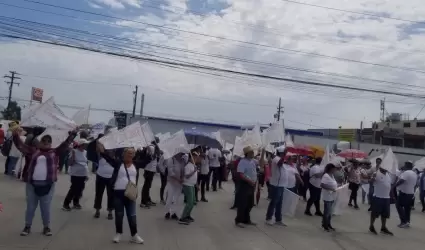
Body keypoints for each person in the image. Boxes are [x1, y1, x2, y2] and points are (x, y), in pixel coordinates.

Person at [12, 127, 77, 236]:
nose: (46, 143)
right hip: (32, 185)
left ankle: (46, 227)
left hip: (48, 185)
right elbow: (20, 146)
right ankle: (27, 227)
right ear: (40, 142)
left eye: (48, 141)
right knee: (31, 207)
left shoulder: (55, 152)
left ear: (51, 143)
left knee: (45, 208)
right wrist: (15, 136)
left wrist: (73, 134)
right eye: (44, 141)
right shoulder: (33, 151)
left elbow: (66, 144)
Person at [97, 143, 144, 244]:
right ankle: (118, 233)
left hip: (131, 193)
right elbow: (109, 159)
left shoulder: (136, 164)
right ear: (124, 154)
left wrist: (150, 151)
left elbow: (147, 160)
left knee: (132, 215)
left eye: (132, 153)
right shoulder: (118, 163)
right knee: (119, 214)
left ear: (134, 155)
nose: (130, 155)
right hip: (118, 192)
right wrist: (102, 151)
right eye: (128, 153)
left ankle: (134, 235)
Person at [62, 139, 90, 211]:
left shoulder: (85, 152)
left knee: (80, 189)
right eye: (85, 144)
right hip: (75, 174)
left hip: (83, 174)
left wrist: (86, 174)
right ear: (81, 145)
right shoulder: (74, 151)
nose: (86, 146)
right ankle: (66, 203)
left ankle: (76, 202)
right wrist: (73, 156)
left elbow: (86, 164)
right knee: (74, 189)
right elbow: (70, 163)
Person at [235, 146, 257, 228]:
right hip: (245, 184)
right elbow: (241, 174)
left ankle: (246, 219)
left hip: (252, 184)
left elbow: (262, 164)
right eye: (251, 152)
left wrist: (263, 153)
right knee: (243, 203)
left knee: (250, 203)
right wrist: (249, 181)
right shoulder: (243, 162)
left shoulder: (252, 161)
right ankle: (239, 220)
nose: (253, 154)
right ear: (247, 154)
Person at [265, 146, 287, 226]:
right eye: (283, 153)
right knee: (274, 202)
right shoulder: (276, 159)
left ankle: (278, 219)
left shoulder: (280, 159)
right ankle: (268, 218)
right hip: (276, 185)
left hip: (281, 185)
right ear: (281, 153)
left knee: (279, 203)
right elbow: (279, 164)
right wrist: (284, 156)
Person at [369, 165, 393, 236]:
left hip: (386, 197)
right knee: (375, 213)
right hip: (378, 197)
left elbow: (389, 185)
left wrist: (391, 195)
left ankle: (383, 227)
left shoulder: (388, 175)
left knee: (385, 214)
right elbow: (370, 181)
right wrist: (372, 178)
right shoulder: (376, 173)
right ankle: (371, 226)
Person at [164, 150, 187, 220]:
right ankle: (167, 212)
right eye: (180, 153)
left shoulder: (183, 160)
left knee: (177, 198)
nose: (181, 154)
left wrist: (182, 177)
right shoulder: (171, 160)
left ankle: (174, 213)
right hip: (172, 182)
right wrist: (178, 179)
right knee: (170, 197)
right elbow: (170, 172)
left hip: (179, 183)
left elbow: (183, 170)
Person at [179, 151, 201, 225]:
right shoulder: (188, 166)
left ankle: (188, 215)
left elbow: (195, 177)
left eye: (196, 157)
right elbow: (187, 176)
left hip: (192, 185)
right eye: (194, 157)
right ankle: (182, 218)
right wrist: (194, 171)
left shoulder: (194, 165)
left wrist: (197, 185)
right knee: (189, 202)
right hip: (187, 185)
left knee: (193, 202)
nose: (196, 158)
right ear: (191, 158)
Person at [94, 146, 115, 220]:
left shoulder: (115, 157)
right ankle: (97, 210)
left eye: (112, 149)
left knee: (111, 195)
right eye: (109, 149)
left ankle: (110, 212)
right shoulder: (101, 155)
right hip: (100, 176)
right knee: (99, 194)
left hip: (111, 178)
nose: (110, 150)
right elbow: (97, 148)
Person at [395, 161, 417, 228]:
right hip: (411, 193)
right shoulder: (414, 173)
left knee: (398, 205)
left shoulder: (406, 173)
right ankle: (407, 221)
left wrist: (394, 186)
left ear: (407, 166)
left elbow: (402, 181)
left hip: (404, 193)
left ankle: (403, 221)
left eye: (405, 165)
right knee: (407, 208)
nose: (403, 166)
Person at [321, 163, 338, 232]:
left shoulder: (332, 175)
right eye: (334, 168)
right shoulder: (326, 176)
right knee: (327, 212)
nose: (335, 170)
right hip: (327, 196)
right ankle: (325, 225)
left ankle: (328, 224)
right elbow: (322, 185)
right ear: (331, 169)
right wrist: (331, 189)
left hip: (332, 196)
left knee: (330, 212)